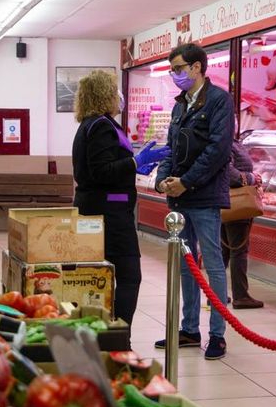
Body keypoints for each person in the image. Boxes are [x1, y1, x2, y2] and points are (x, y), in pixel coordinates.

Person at [71, 70, 170, 345]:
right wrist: (136, 162)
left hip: (97, 211)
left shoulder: (91, 124)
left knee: (100, 276)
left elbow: (103, 169)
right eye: (115, 91)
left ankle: (104, 332)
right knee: (129, 276)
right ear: (105, 94)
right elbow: (102, 172)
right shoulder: (102, 125)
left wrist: (136, 166)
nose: (120, 97)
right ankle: (119, 337)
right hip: (109, 215)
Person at [153, 43, 235, 360]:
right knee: (186, 266)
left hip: (204, 196)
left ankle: (218, 334)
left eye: (178, 68)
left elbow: (218, 151)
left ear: (197, 67)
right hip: (180, 198)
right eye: (173, 69)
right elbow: (172, 148)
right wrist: (163, 180)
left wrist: (186, 182)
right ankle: (188, 329)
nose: (175, 74)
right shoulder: (179, 105)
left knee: (212, 266)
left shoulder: (218, 101)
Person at [222, 136, 264, 310]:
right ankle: (241, 296)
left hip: (224, 200)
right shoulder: (226, 142)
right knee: (238, 250)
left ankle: (218, 294)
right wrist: (251, 178)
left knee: (224, 249)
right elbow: (228, 172)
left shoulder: (228, 140)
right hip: (237, 202)